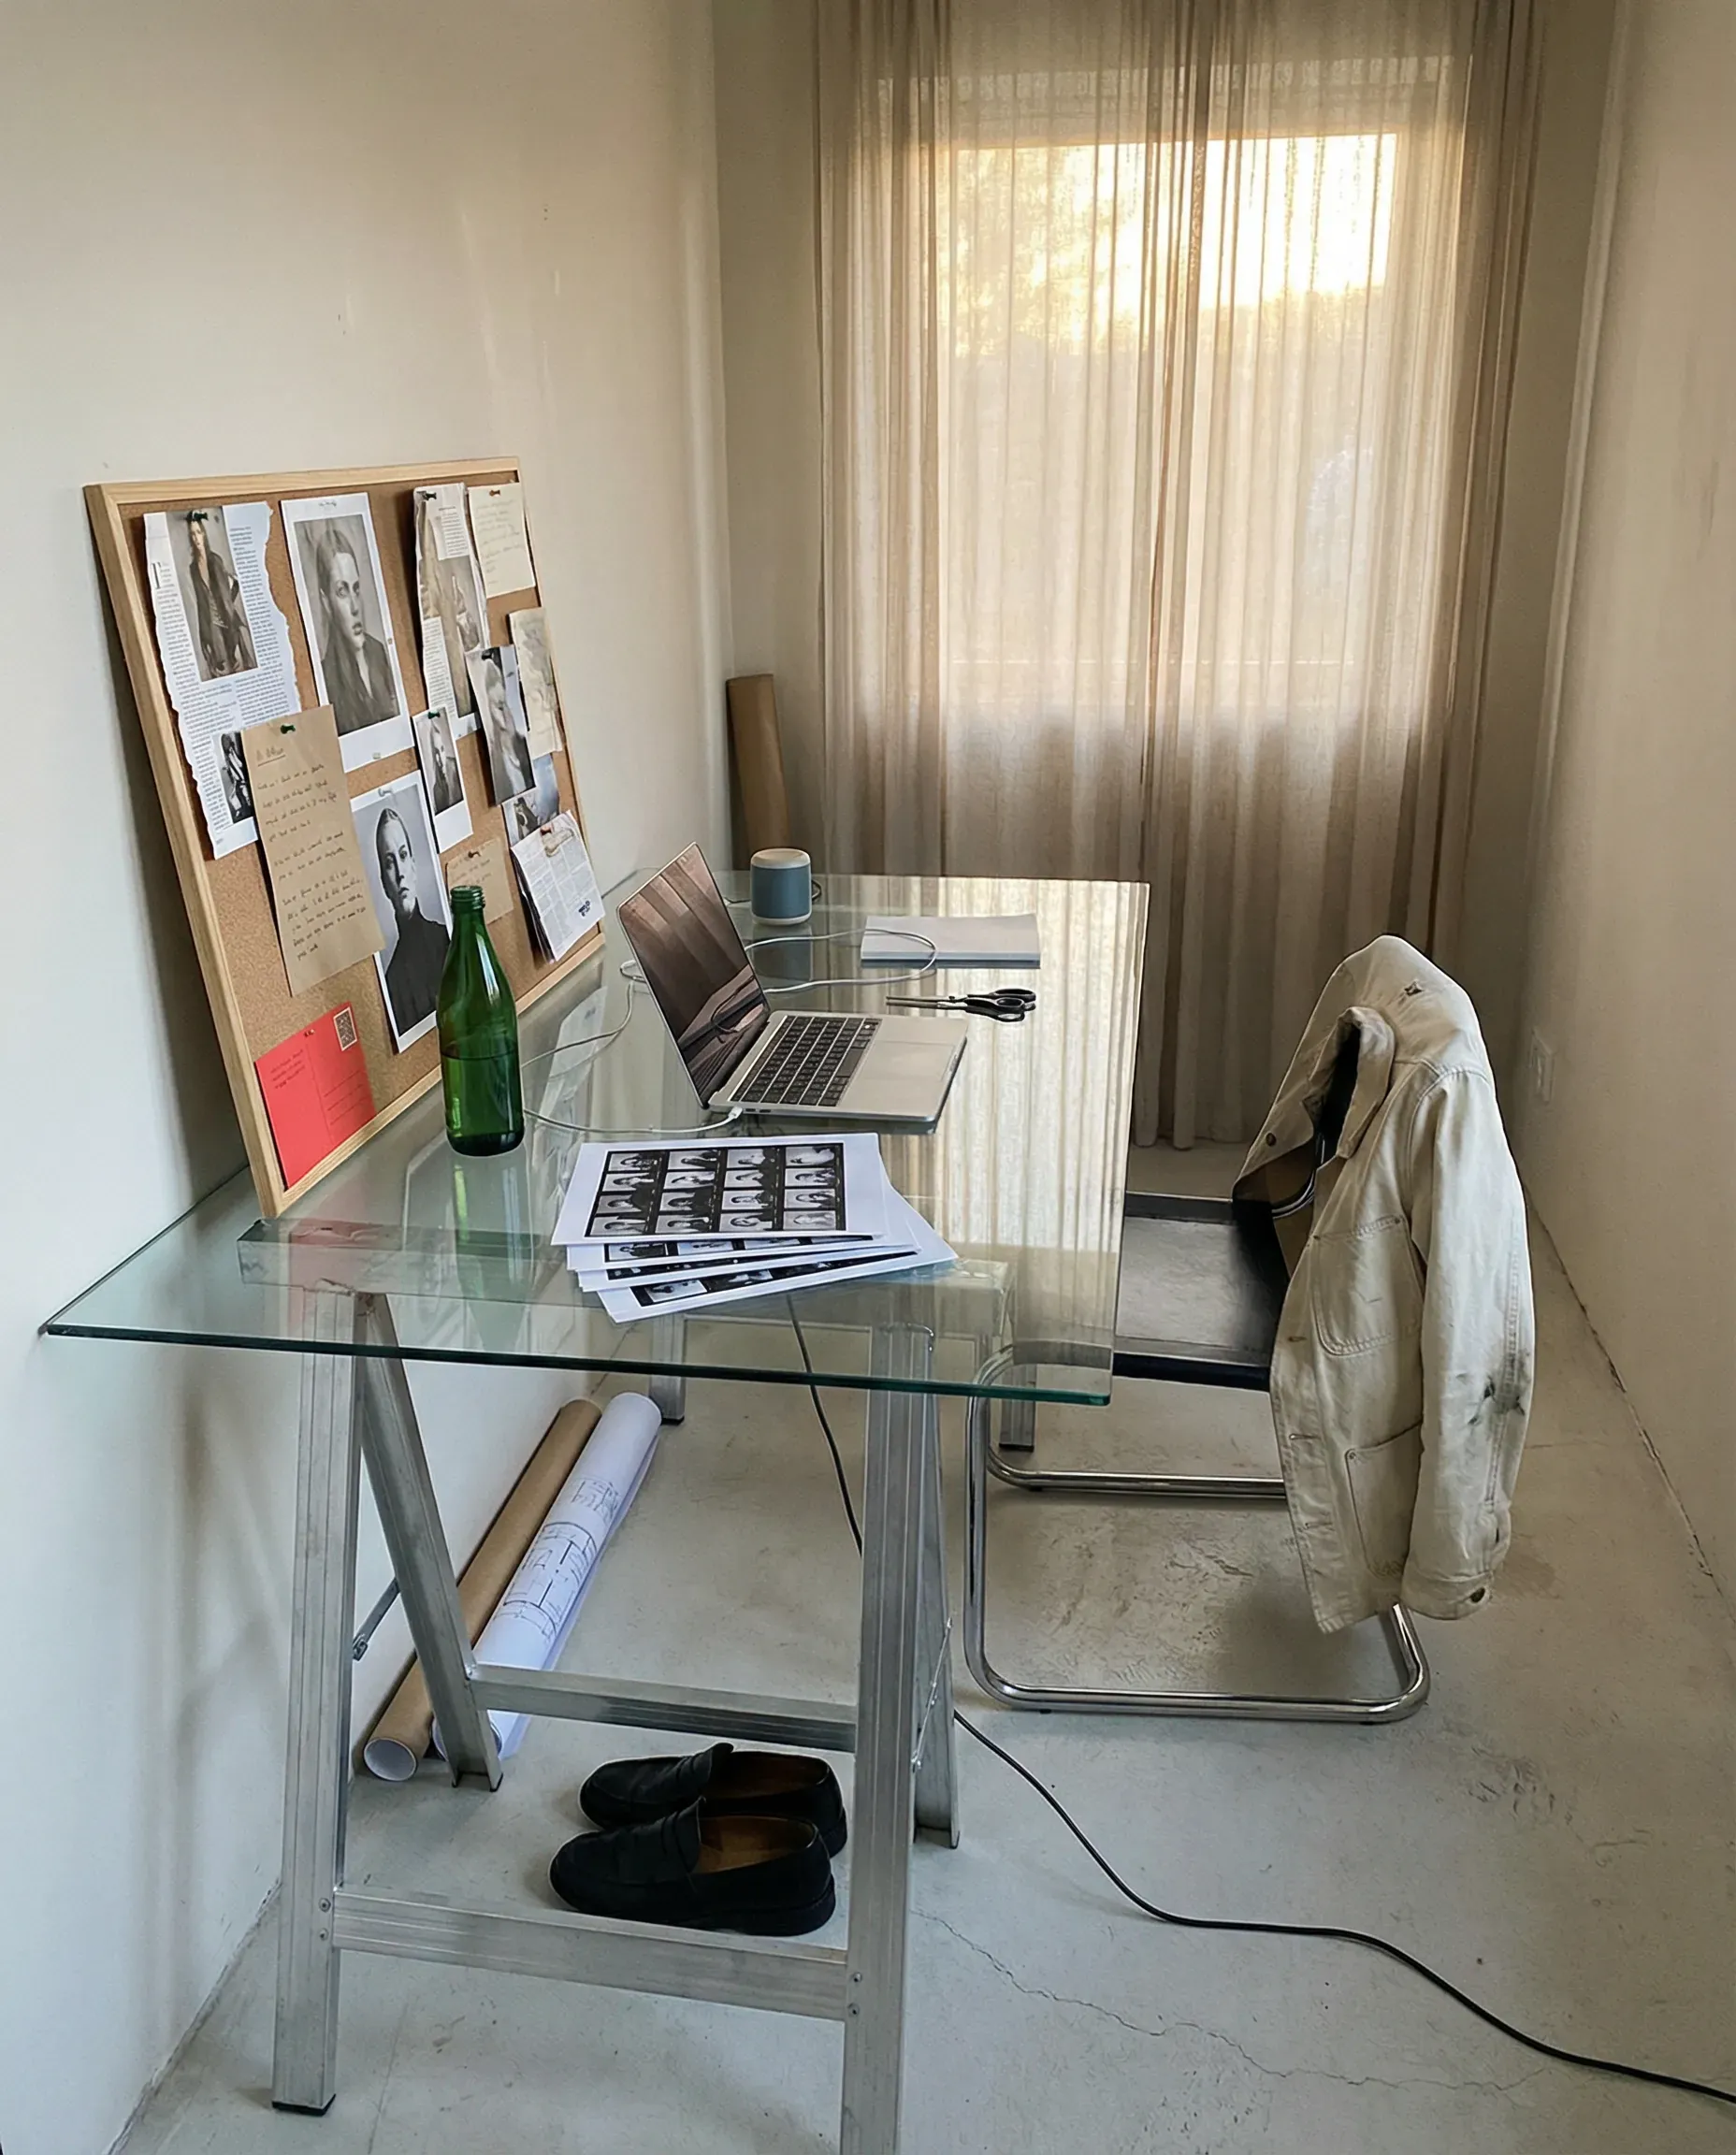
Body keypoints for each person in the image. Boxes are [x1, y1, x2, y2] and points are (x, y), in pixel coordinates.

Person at [313, 526, 398, 736]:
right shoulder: (327, 678)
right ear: (326, 602)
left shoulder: (378, 652)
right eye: (342, 591)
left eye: (356, 588)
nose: (355, 606)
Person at [375, 806, 449, 1033]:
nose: (400, 872)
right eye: (389, 862)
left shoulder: (446, 939)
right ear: (384, 884)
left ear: (414, 866)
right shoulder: (392, 981)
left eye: (403, 855)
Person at [186, 513, 254, 677]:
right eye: (192, 534)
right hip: (211, 622)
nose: (196, 538)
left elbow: (228, 589)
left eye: (198, 533)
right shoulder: (193, 568)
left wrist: (229, 608)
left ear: (204, 534)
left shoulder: (215, 560)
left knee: (238, 662)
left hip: (227, 618)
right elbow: (201, 601)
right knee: (221, 666)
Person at [479, 655, 534, 800]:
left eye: (503, 703)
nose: (504, 712)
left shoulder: (523, 745)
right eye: (497, 706)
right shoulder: (494, 760)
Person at [219, 731, 253, 822]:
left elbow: (240, 764)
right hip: (237, 781)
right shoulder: (228, 756)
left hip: (242, 780)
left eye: (227, 741)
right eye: (224, 742)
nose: (226, 744)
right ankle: (240, 809)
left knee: (245, 794)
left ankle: (246, 808)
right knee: (232, 797)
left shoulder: (233, 752)